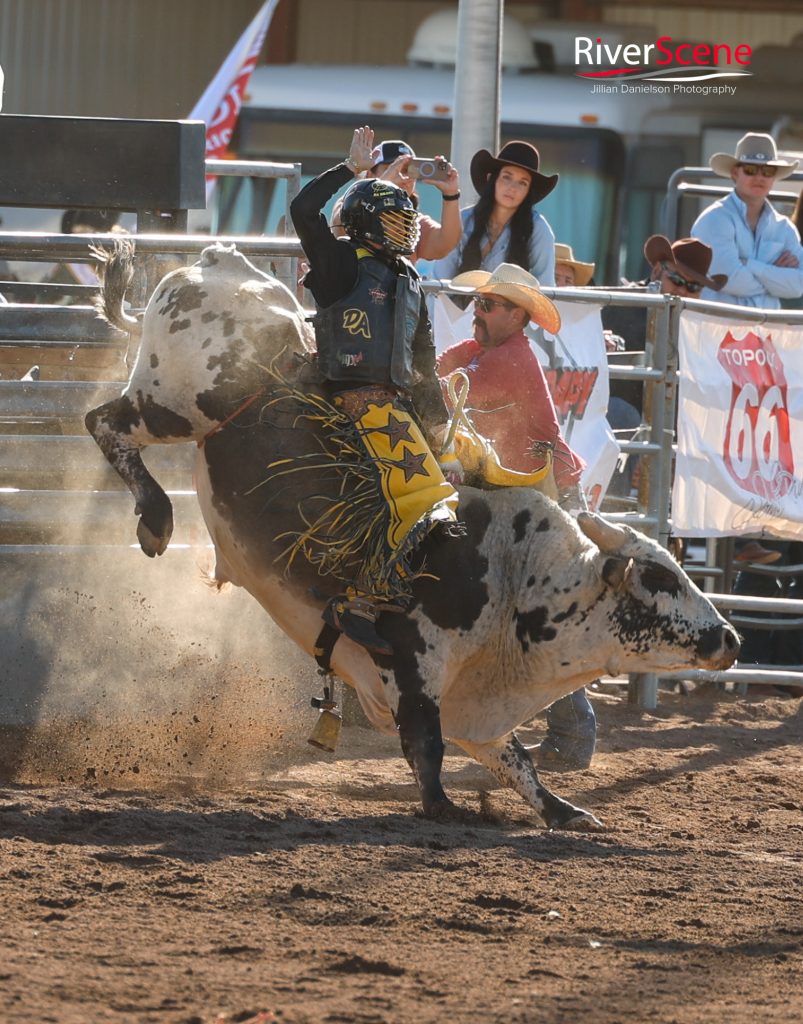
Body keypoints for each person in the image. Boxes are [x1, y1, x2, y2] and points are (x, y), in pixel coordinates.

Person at [289, 126, 460, 657]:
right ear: (365, 217)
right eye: (394, 217)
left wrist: (442, 436)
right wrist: (350, 169)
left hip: (396, 408)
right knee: (421, 497)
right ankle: (360, 601)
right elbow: (304, 211)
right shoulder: (341, 261)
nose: (406, 224)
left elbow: (426, 368)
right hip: (348, 399)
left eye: (407, 217)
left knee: (443, 490)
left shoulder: (410, 282)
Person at [436, 263, 594, 771]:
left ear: (516, 316)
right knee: (529, 621)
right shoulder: (500, 351)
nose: (475, 312)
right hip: (539, 501)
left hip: (546, 505)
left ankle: (572, 734)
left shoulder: (508, 360)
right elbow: (444, 368)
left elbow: (442, 389)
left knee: (539, 622)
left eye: (487, 305)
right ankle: (567, 737)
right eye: (477, 303)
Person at [692, 132, 803, 309]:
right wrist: (773, 274)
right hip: (719, 330)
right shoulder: (713, 219)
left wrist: (749, 265)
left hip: (767, 333)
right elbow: (727, 278)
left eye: (767, 171)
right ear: (735, 172)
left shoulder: (785, 228)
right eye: (751, 169)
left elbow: (798, 286)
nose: (759, 177)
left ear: (774, 177)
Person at [434, 141, 557, 285]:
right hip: (453, 306)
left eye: (522, 183)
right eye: (507, 177)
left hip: (513, 307)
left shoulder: (538, 229)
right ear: (491, 179)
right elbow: (440, 283)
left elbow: (544, 289)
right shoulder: (463, 220)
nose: (512, 188)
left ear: (529, 191)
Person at [332, 139, 463, 264]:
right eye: (391, 168)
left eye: (408, 170)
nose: (402, 175)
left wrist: (451, 195)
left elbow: (445, 244)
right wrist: (383, 186)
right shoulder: (350, 202)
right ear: (370, 175)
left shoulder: (411, 223)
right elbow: (341, 229)